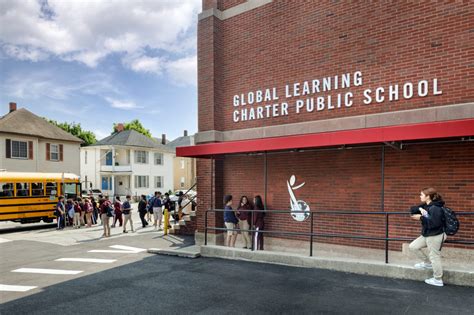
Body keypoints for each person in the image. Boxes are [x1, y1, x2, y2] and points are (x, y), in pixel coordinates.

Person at [408, 187, 447, 287]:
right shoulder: (427, 205)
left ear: (428, 196)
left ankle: (438, 279)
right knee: (413, 246)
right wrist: (420, 209)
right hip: (427, 234)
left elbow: (435, 224)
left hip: (435, 234)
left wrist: (421, 217)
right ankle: (427, 263)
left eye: (421, 195)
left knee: (434, 256)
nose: (420, 196)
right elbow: (412, 209)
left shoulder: (435, 208)